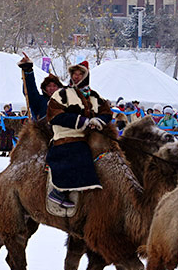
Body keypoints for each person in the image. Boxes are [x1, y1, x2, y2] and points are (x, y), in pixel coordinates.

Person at [45, 61, 113, 208]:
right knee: (77, 152)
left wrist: (99, 120)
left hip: (90, 137)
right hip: (67, 137)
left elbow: (107, 113)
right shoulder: (61, 94)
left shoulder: (95, 96)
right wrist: (84, 121)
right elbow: (54, 116)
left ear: (86, 75)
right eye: (74, 74)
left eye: (80, 74)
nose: (76, 77)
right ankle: (59, 191)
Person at [18, 54, 62, 120]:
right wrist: (28, 71)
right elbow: (30, 91)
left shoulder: (64, 101)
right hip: (41, 129)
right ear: (44, 88)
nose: (52, 88)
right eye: (49, 86)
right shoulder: (39, 101)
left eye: (54, 86)